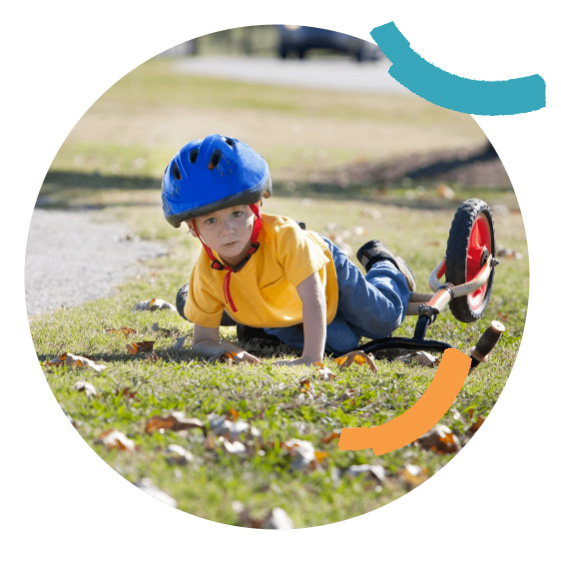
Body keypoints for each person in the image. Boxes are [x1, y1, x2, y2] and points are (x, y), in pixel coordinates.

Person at [162, 134, 415, 366]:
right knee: (343, 343)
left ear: (257, 206)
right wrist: (226, 349)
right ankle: (257, 327)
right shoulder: (206, 272)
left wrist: (311, 359)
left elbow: (314, 298)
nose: (227, 230)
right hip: (278, 306)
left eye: (237, 213)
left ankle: (383, 263)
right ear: (193, 229)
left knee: (382, 321)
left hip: (326, 270)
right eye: (211, 221)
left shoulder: (287, 239)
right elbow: (202, 341)